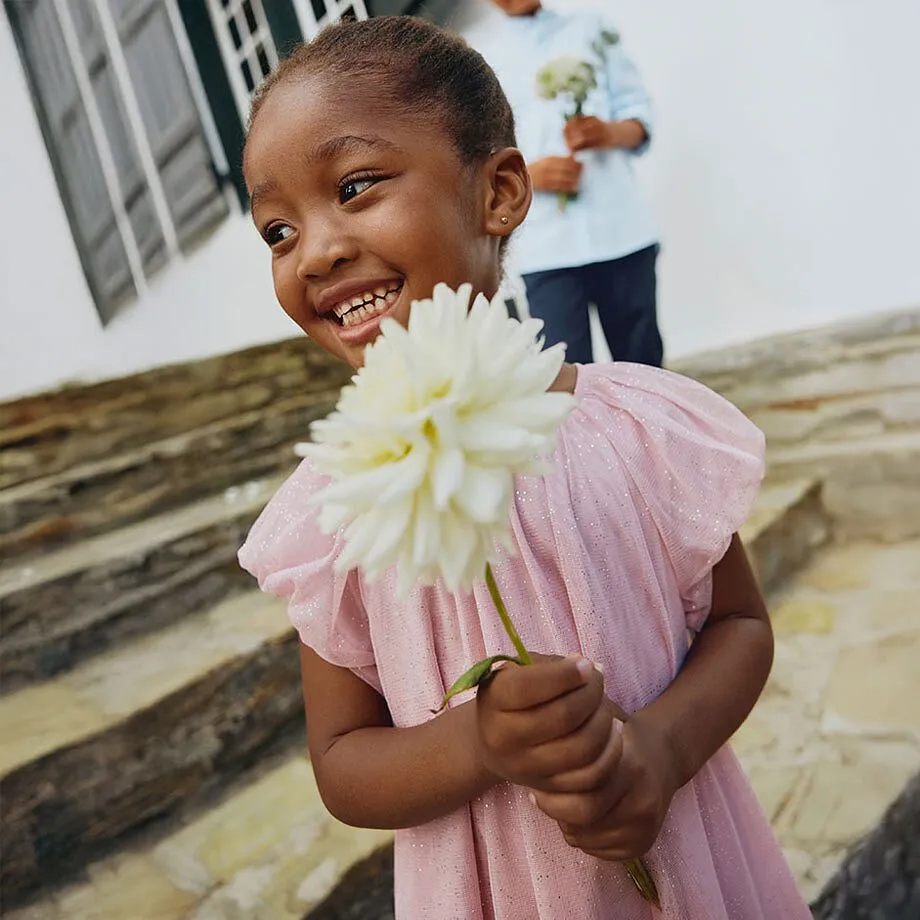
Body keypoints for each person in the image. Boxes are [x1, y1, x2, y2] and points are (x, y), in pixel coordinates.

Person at [238, 16, 811, 920]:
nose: (314, 250)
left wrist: (657, 753)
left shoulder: (629, 429)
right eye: (276, 230)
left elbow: (741, 625)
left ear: (499, 191)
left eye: (354, 186)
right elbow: (343, 763)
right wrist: (481, 742)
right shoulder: (338, 503)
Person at [475, 0, 663, 367]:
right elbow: (479, 158)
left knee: (645, 370)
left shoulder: (593, 30)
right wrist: (528, 176)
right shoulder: (482, 62)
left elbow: (639, 115)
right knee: (568, 384)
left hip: (622, 233)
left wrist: (610, 132)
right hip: (547, 249)